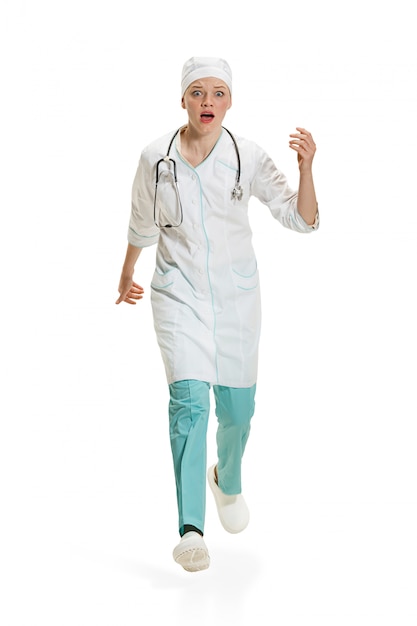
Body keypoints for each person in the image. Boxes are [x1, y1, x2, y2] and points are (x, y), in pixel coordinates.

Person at [116, 56, 319, 572]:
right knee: (189, 405)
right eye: (198, 92)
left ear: (230, 101)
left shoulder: (246, 156)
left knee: (237, 413)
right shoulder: (153, 157)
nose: (208, 102)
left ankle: (227, 479)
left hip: (236, 301)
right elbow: (142, 219)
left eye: (219, 93)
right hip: (177, 294)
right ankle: (190, 529)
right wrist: (127, 273)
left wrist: (306, 169)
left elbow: (300, 218)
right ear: (182, 99)